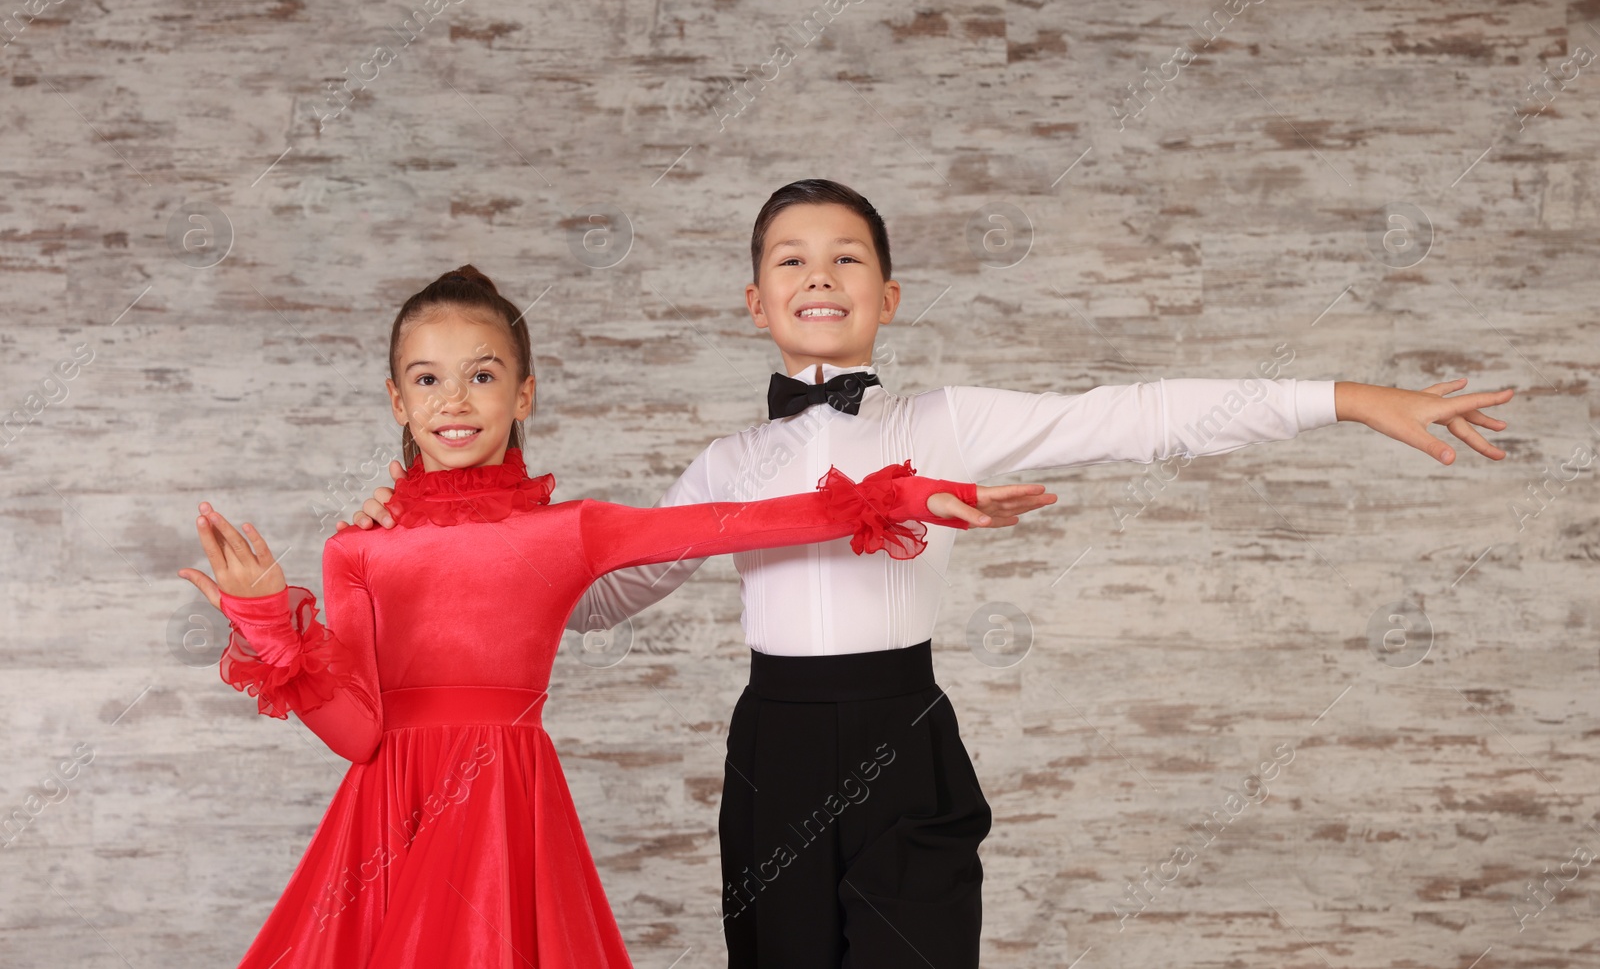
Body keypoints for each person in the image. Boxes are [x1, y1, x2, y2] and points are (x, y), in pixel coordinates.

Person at [344, 183, 1516, 968]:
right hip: (775, 749)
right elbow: (588, 599)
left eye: (848, 256)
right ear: (754, 302)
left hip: (905, 735)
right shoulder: (726, 462)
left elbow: (1137, 415)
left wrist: (1351, 399)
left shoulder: (949, 421)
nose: (820, 273)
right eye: (790, 259)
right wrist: (435, 532)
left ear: (888, 296)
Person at [176, 264, 1052, 969]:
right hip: (385, 828)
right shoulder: (357, 548)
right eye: (428, 379)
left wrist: (901, 492)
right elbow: (359, 734)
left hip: (503, 814)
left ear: (523, 396)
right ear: (397, 401)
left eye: (483, 375)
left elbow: (736, 521)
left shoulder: (570, 531)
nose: (455, 399)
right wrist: (268, 623)